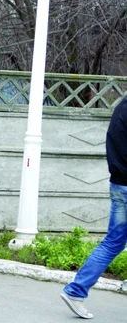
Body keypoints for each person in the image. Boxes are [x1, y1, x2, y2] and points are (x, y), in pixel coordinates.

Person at [60, 98, 126, 320]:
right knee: (113, 242)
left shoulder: (120, 108)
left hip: (118, 183)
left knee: (113, 242)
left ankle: (75, 291)